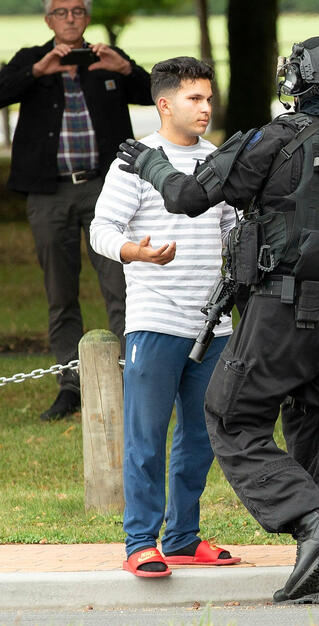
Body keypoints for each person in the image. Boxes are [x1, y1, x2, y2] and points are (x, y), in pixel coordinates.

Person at [116, 36, 319, 603]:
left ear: (297, 79)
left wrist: (149, 162)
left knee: (230, 417)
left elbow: (192, 196)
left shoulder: (275, 139)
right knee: (315, 424)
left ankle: (312, 524)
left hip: (280, 311)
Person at [90, 57, 241, 578]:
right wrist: (135, 251)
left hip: (213, 325)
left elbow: (232, 232)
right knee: (147, 437)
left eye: (208, 98)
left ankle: (181, 537)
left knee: (202, 437)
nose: (206, 107)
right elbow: (100, 229)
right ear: (164, 103)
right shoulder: (136, 161)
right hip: (155, 321)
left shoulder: (217, 160)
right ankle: (140, 541)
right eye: (194, 98)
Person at [0, 0, 153, 420]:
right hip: (49, 193)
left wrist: (125, 70)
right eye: (61, 12)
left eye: (78, 12)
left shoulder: (106, 60)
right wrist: (37, 72)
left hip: (108, 189)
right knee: (60, 292)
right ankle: (71, 386)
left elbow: (155, 94)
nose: (70, 19)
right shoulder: (33, 60)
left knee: (121, 286)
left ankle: (127, 379)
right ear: (49, 20)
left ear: (87, 18)